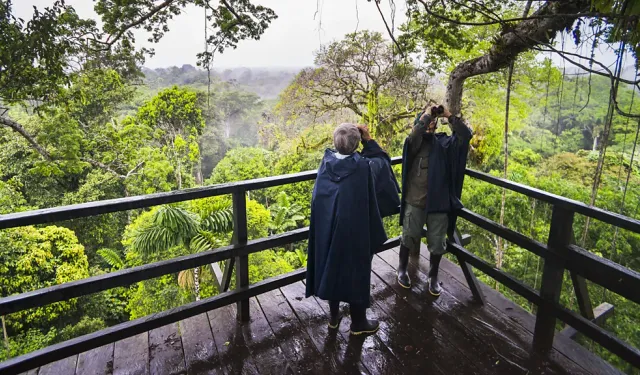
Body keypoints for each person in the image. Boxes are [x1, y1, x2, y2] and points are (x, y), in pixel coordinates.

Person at [305, 123, 391, 335]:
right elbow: (383, 160)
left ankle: (334, 318)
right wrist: (369, 140)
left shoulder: (325, 163)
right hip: (355, 231)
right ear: (356, 144)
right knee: (356, 271)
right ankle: (358, 323)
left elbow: (319, 198)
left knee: (331, 266)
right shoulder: (363, 166)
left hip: (329, 229)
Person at [397, 104, 472, 296]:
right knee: (409, 235)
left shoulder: (445, 143)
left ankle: (432, 276)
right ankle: (402, 269)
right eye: (426, 121)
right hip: (415, 200)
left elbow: (465, 136)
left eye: (433, 121)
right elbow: (413, 136)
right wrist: (426, 115)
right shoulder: (415, 143)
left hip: (439, 203)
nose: (430, 123)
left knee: (437, 243)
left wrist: (448, 115)